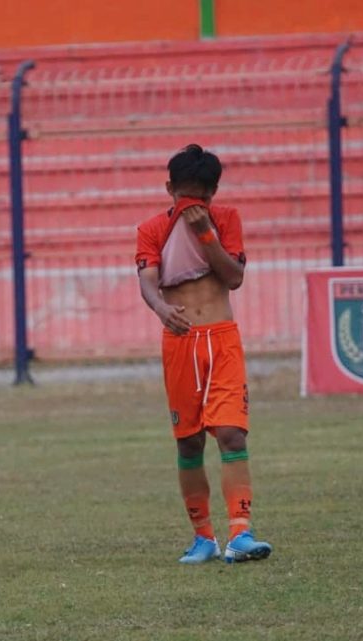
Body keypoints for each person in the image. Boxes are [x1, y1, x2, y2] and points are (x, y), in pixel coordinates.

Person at [135, 144, 273, 564]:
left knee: (232, 434)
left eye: (202, 198)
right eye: (185, 198)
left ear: (213, 194)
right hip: (180, 344)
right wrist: (161, 310)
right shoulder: (152, 229)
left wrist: (205, 234)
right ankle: (203, 537)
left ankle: (241, 532)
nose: (193, 206)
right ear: (170, 190)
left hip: (222, 339)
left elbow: (233, 278)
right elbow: (148, 281)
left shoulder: (226, 220)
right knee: (190, 441)